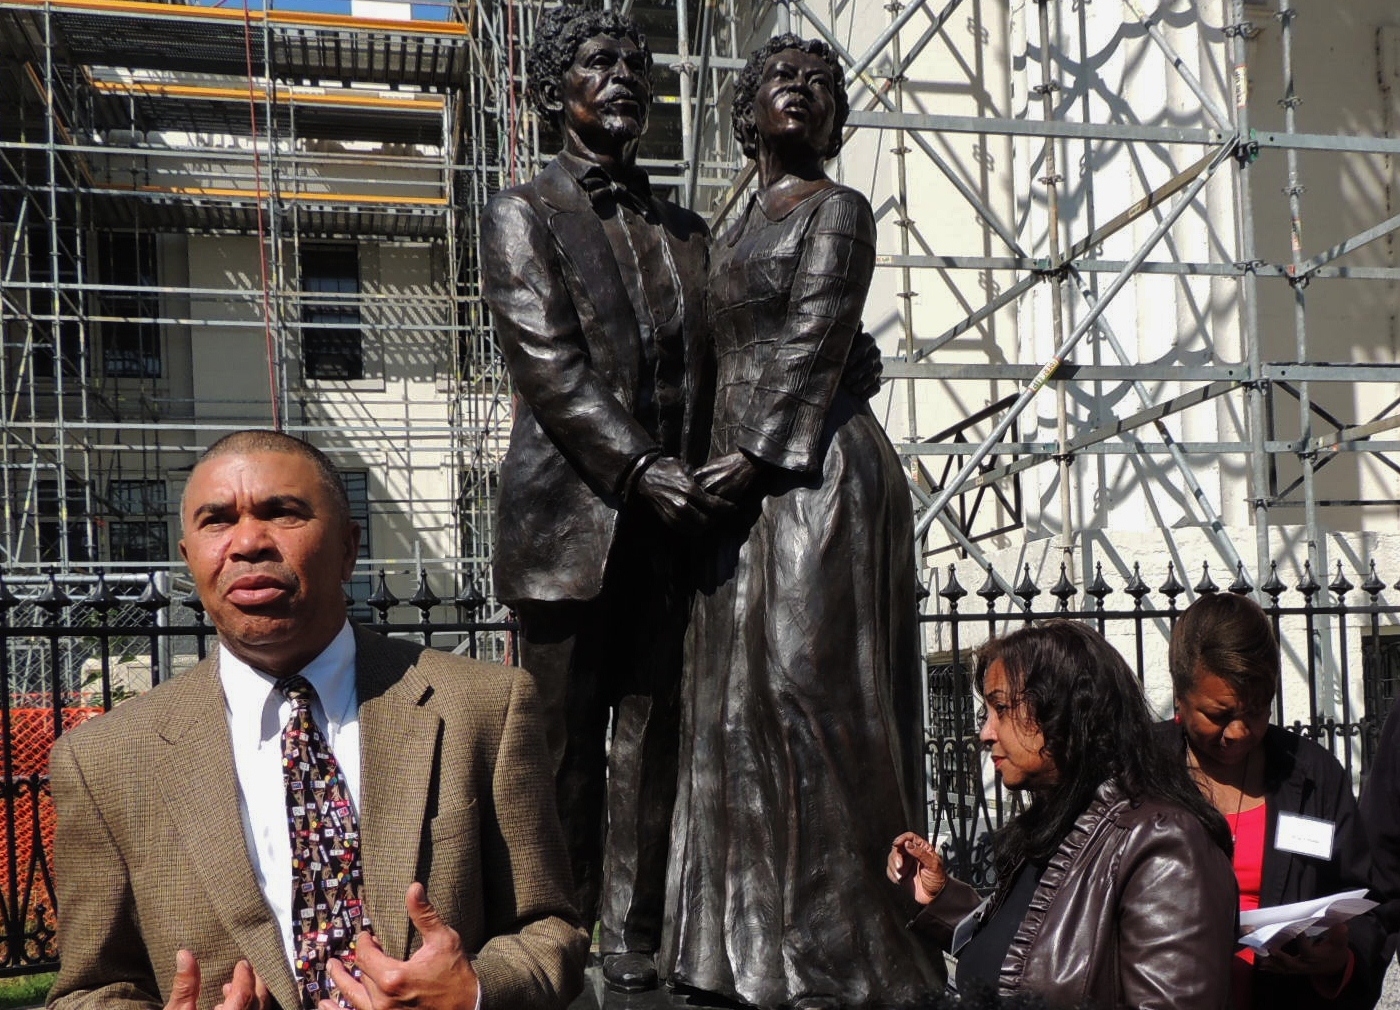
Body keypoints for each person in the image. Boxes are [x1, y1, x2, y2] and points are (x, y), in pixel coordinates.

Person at [47, 430, 587, 1010]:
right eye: (217, 520)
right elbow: (91, 989)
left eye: (283, 513)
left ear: (349, 549)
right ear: (189, 558)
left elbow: (549, 929)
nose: (248, 542)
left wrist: (474, 992)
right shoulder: (104, 759)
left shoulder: (482, 708)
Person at [660, 35, 939, 1009]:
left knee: (812, 701)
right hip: (739, 498)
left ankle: (844, 950)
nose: (803, 95)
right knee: (733, 716)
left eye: (821, 87)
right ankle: (737, 951)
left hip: (813, 482)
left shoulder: (839, 212)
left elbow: (817, 343)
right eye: (782, 82)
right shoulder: (728, 228)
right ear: (746, 112)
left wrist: (741, 467)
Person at [479, 6, 722, 993]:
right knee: (565, 751)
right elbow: (549, 365)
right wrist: (642, 470)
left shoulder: (688, 230)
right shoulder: (521, 211)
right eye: (598, 62)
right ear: (553, 92)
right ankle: (555, 943)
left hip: (678, 529)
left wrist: (841, 360)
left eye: (637, 62)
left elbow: (736, 346)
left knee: (656, 735)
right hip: (574, 519)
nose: (624, 75)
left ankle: (641, 943)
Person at [889, 621, 1238, 1010]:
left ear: (1064, 711)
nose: (985, 732)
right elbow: (1027, 955)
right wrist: (942, 899)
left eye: (1000, 708)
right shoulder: (1052, 828)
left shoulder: (1164, 846)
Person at [1160, 592, 1386, 1010]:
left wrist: (1340, 958)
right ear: (1179, 694)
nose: (1240, 732)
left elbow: (1364, 902)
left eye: (1257, 711)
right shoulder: (1139, 770)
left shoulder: (1314, 775)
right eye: (1219, 714)